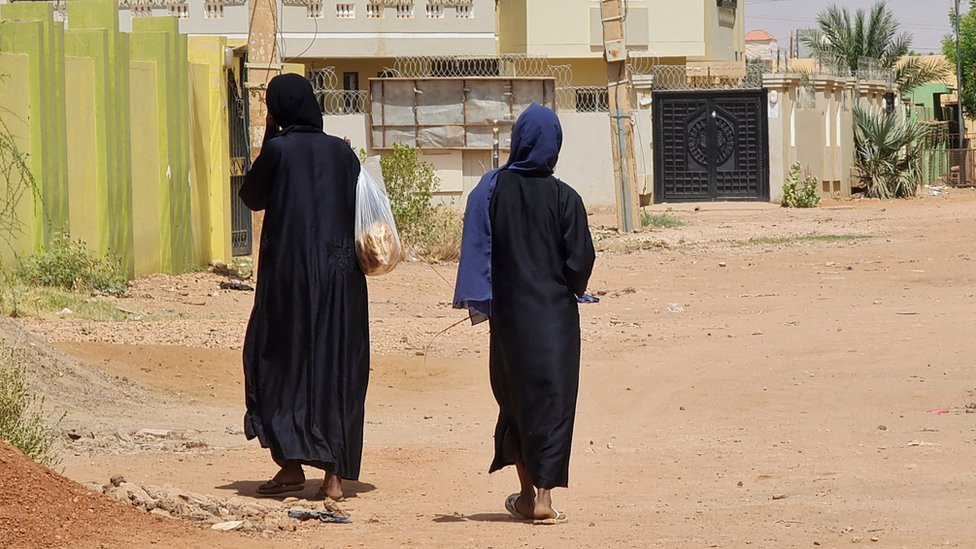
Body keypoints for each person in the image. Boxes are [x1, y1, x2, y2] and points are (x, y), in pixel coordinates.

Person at [453, 104, 596, 523]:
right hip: (555, 322)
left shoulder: (492, 191)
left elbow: (482, 254)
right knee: (553, 404)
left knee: (515, 403)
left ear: (519, 140)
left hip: (510, 321)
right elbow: (580, 261)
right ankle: (546, 500)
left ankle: (525, 491)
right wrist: (573, 289)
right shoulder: (565, 198)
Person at [239, 73, 369, 501]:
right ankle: (332, 477)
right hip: (340, 277)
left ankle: (290, 465)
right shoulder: (343, 154)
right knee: (335, 366)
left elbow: (252, 197)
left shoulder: (278, 151)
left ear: (279, 110)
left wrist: (269, 137)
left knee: (279, 360)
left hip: (289, 278)